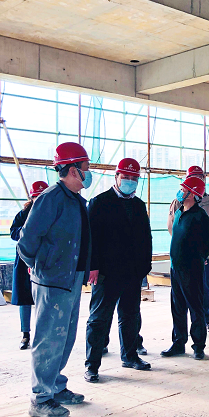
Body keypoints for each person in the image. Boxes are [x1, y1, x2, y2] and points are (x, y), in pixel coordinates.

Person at [17, 142, 92, 417]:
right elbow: (27, 241)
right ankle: (40, 399)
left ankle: (56, 387)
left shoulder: (75, 200)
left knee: (64, 337)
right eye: (86, 168)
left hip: (70, 278)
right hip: (52, 280)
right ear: (73, 170)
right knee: (48, 339)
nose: (89, 173)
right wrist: (40, 266)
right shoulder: (51, 198)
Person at [84, 158, 153, 383]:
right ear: (116, 177)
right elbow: (90, 238)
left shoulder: (138, 205)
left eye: (134, 178)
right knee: (99, 319)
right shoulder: (99, 203)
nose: (130, 181)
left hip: (132, 273)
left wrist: (145, 266)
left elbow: (146, 237)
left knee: (130, 316)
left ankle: (130, 356)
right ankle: (92, 365)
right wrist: (92, 266)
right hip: (106, 273)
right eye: (126, 177)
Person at [161, 176, 209, 360]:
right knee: (177, 307)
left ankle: (198, 346)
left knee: (195, 307)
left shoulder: (201, 217)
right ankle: (178, 343)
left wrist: (197, 259)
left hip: (191, 269)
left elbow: (207, 243)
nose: (180, 192)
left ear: (192, 194)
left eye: (183, 190)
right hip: (175, 268)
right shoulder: (178, 213)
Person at [168, 166, 209, 333]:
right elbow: (172, 228)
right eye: (192, 176)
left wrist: (198, 252)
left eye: (200, 176)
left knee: (202, 291)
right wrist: (183, 246)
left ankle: (205, 322)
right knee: (178, 298)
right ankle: (179, 337)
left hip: (202, 257)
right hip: (180, 259)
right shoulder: (177, 204)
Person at [10, 180, 48, 350]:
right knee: (25, 298)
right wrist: (26, 232)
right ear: (31, 198)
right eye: (35, 197)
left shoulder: (52, 213)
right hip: (24, 260)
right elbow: (13, 232)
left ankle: (43, 334)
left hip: (44, 260)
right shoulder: (23, 214)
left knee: (44, 299)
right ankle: (25, 334)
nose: (38, 200)